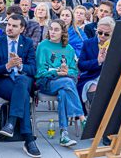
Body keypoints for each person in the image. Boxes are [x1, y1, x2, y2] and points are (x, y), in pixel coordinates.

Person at [0, 14, 41, 158]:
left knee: (22, 80)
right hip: (3, 80)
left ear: (22, 29)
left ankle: (11, 122)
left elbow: (33, 69)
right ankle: (29, 140)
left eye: (14, 26)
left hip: (23, 79)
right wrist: (8, 66)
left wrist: (19, 65)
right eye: (9, 24)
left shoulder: (28, 42)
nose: (10, 28)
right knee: (22, 94)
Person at [35, 19, 86, 147]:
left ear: (63, 32)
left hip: (65, 83)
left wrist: (67, 72)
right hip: (47, 83)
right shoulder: (43, 46)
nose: (52, 32)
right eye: (51, 29)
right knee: (67, 83)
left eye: (56, 30)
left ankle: (64, 134)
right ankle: (82, 118)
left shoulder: (69, 48)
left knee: (64, 91)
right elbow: (40, 72)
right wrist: (56, 73)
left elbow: (74, 71)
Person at [77, 17, 115, 146]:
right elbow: (81, 65)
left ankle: (108, 126)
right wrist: (98, 61)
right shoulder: (88, 43)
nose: (102, 36)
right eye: (100, 32)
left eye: (106, 34)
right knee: (94, 88)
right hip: (91, 77)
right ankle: (102, 129)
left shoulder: (116, 44)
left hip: (110, 77)